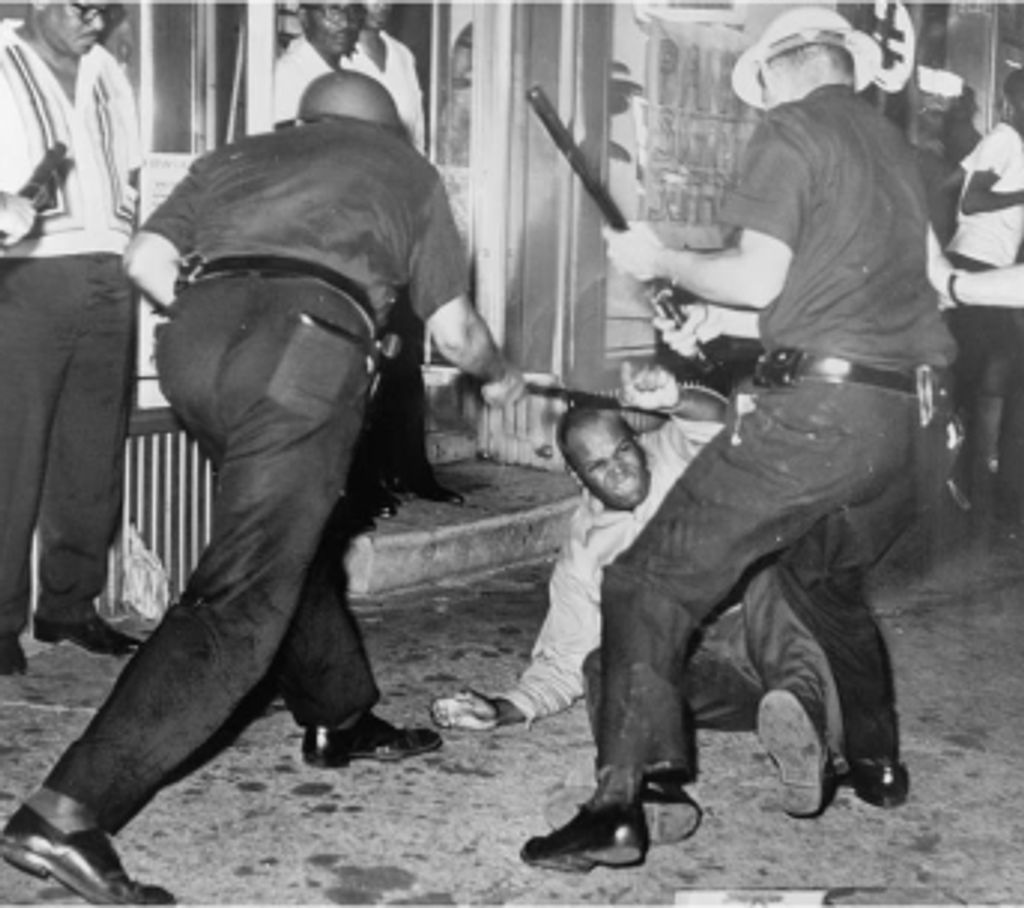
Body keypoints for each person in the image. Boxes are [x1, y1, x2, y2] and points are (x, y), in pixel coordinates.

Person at [0, 70, 525, 904]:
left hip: (195, 346)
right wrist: (500, 379)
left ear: (302, 118)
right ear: (389, 130)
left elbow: (145, 258)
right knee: (244, 592)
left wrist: (232, 325)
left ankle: (339, 714)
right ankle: (66, 812)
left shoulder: (238, 153)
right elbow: (457, 331)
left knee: (286, 534)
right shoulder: (406, 171)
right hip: (305, 354)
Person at [520, 6, 957, 873]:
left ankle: (623, 801)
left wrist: (661, 260)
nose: (761, 105)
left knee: (644, 578)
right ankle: (875, 765)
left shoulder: (793, 129)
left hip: (815, 419)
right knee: (823, 583)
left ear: (786, 71)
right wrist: (710, 319)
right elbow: (913, 288)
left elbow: (761, 272)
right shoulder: (898, 152)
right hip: (898, 424)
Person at [431, 389, 851, 834]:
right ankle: (654, 791)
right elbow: (567, 661)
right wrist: (502, 709)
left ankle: (810, 734)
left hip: (763, 635)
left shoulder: (673, 452)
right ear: (577, 477)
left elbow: (716, 419)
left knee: (774, 573)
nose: (619, 469)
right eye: (598, 466)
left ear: (639, 441)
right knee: (604, 661)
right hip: (716, 678)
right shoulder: (582, 553)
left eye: (624, 450)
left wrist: (673, 394)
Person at [0, 1, 143, 677]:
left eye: (104, 8)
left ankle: (69, 605)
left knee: (92, 450)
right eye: (81, 7)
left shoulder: (108, 69)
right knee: (10, 452)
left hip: (109, 271)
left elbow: (131, 174)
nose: (95, 20)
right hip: (21, 275)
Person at [943, 69, 1024, 527]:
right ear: (1015, 101)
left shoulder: (1001, 140)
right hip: (978, 268)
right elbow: (973, 200)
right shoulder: (1008, 138)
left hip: (980, 266)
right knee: (984, 378)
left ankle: (970, 474)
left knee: (988, 376)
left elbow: (952, 183)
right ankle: (964, 476)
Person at [272, 3, 366, 127]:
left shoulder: (354, 68)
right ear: (304, 17)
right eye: (333, 13)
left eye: (353, 12)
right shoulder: (286, 76)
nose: (345, 24)